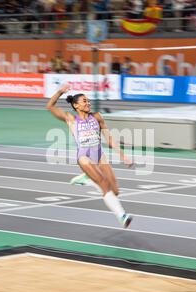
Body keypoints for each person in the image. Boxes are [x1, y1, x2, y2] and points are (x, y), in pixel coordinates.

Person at [46, 84, 133, 228]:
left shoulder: (97, 117)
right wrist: (60, 92)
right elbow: (50, 106)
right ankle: (122, 216)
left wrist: (123, 156)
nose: (88, 103)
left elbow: (109, 139)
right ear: (76, 105)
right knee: (104, 184)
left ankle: (88, 180)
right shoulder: (70, 118)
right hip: (84, 156)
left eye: (89, 101)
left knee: (115, 191)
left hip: (99, 155)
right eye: (84, 101)